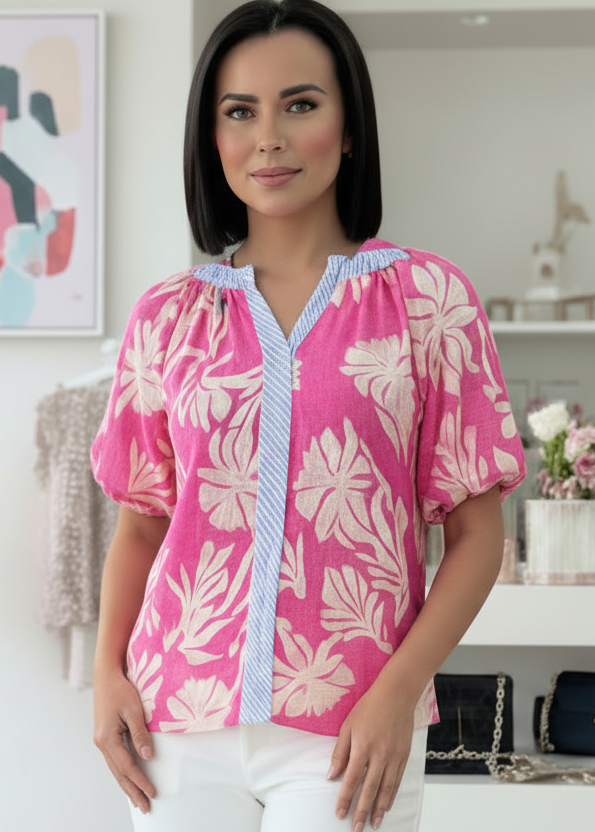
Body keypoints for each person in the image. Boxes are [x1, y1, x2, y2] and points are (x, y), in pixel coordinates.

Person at [91, 2, 526, 831]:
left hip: (349, 728)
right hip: (175, 719)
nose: (268, 138)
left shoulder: (426, 300)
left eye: (300, 104)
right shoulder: (168, 317)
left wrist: (399, 693)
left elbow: (475, 535)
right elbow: (143, 522)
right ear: (210, 138)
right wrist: (110, 676)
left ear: (350, 124)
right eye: (238, 111)